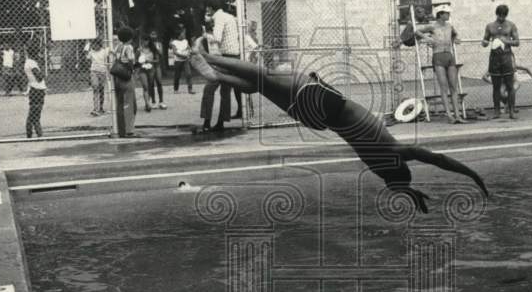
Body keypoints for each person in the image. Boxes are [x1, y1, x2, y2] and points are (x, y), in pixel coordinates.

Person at [190, 52, 488, 213]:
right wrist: (408, 192)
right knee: (261, 86)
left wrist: (474, 176)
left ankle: (209, 59)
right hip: (314, 119)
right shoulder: (378, 163)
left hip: (326, 104)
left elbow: (439, 159)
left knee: (263, 75)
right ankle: (217, 76)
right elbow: (395, 184)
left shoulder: (397, 151)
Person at [416, 3, 465, 124]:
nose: (449, 15)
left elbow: (455, 35)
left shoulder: (449, 26)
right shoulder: (433, 26)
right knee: (444, 87)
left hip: (449, 55)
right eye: (447, 13)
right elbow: (417, 31)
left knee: (454, 87)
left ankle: (457, 115)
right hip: (438, 56)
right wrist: (427, 39)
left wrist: (456, 39)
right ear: (440, 14)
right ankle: (449, 115)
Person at [481, 4, 520, 119]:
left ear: (506, 15)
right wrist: (484, 43)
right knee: (496, 86)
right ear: (496, 14)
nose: (501, 18)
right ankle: (496, 111)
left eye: (503, 16)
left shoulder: (511, 25)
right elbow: (485, 40)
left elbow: (517, 42)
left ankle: (511, 110)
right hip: (494, 58)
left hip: (506, 57)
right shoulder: (490, 26)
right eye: (499, 15)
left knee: (510, 85)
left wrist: (506, 41)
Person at [211, 0, 244, 122]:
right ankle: (242, 110)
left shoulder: (218, 17)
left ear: (210, 8)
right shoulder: (230, 17)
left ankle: (222, 120)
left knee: (225, 88)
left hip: (227, 56)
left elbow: (217, 38)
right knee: (237, 85)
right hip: (236, 54)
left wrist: (207, 36)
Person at [194, 18, 222, 132]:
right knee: (217, 92)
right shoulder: (207, 38)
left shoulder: (208, 37)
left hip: (218, 65)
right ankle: (213, 121)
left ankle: (207, 122)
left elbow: (197, 48)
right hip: (218, 64)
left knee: (209, 91)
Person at [113, 26, 138, 137]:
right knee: (129, 102)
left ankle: (120, 128)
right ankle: (129, 129)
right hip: (126, 76)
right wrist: (133, 69)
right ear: (130, 37)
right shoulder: (129, 47)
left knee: (120, 102)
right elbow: (131, 60)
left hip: (118, 76)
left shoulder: (118, 46)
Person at [24, 43, 47, 138]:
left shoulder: (29, 62)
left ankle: (30, 134)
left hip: (35, 89)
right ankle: (38, 135)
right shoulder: (32, 63)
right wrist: (42, 72)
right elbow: (39, 77)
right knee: (35, 115)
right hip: (37, 90)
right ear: (35, 53)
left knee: (33, 114)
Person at [86, 38, 110, 116]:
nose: (94, 46)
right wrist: (87, 47)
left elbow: (110, 49)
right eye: (93, 45)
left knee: (101, 89)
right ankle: (95, 108)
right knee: (95, 87)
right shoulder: (91, 52)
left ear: (99, 45)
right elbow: (87, 58)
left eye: (96, 45)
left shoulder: (104, 51)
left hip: (102, 71)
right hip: (94, 71)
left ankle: (101, 108)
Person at [145, 30, 167, 109]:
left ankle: (161, 101)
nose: (153, 36)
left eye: (155, 34)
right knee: (151, 84)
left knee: (159, 82)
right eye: (152, 34)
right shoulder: (147, 45)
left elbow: (161, 54)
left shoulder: (159, 44)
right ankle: (153, 101)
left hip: (157, 66)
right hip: (150, 66)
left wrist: (156, 48)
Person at [168, 26, 194, 94]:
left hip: (185, 60)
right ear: (179, 35)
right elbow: (175, 52)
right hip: (178, 61)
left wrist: (189, 52)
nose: (184, 35)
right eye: (183, 34)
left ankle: (190, 89)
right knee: (177, 75)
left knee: (189, 74)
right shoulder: (174, 42)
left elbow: (189, 48)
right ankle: (176, 89)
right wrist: (183, 55)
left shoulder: (185, 41)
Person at [135, 38, 155, 112]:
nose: (145, 42)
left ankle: (148, 101)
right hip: (142, 69)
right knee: (145, 86)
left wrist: (150, 61)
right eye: (144, 40)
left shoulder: (152, 49)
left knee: (149, 86)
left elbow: (157, 59)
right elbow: (135, 60)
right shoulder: (139, 50)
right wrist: (140, 61)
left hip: (151, 69)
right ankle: (147, 104)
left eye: (147, 40)